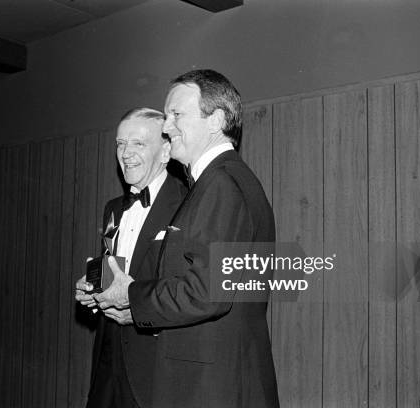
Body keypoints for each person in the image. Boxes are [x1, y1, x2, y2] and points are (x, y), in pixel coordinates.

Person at [95, 70, 279, 408]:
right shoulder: (220, 181)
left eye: (177, 114)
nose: (166, 127)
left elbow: (207, 293)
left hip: (213, 388)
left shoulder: (221, 185)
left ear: (216, 120)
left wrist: (132, 295)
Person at [75, 107, 186, 408]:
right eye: (121, 144)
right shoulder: (113, 208)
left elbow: (192, 291)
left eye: (138, 143)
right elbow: (117, 272)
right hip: (107, 361)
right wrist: (94, 290)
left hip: (154, 366)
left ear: (165, 152)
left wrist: (139, 309)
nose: (126, 153)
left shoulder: (188, 204)